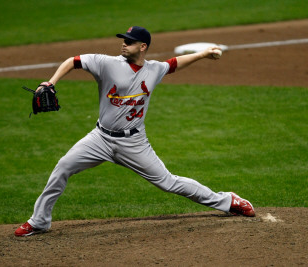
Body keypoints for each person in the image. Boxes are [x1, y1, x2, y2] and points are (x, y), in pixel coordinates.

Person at [15, 26, 255, 237]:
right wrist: (51, 82)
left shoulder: (153, 70)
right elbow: (73, 61)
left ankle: (228, 200)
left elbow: (174, 64)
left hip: (134, 143)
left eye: (129, 41)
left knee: (168, 183)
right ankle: (39, 221)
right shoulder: (106, 63)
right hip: (100, 138)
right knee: (63, 167)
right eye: (123, 39)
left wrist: (203, 54)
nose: (123, 43)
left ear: (143, 47)